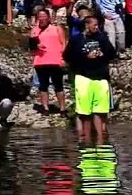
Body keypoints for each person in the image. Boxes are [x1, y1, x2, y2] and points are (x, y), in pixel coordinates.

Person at [65, 15, 116, 143]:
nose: (97, 27)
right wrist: (85, 56)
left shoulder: (102, 37)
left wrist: (103, 54)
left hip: (101, 77)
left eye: (97, 25)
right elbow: (67, 56)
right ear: (87, 25)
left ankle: (100, 140)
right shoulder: (76, 39)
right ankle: (86, 140)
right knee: (85, 113)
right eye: (94, 25)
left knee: (101, 111)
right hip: (83, 78)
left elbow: (112, 53)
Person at [28, 8, 67, 114]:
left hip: (55, 60)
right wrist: (36, 45)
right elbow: (31, 46)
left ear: (49, 18)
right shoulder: (35, 30)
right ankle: (45, 107)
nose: (42, 19)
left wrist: (62, 58)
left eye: (44, 17)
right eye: (40, 17)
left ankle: (62, 108)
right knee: (43, 85)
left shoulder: (57, 28)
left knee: (58, 85)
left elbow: (64, 44)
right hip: (40, 61)